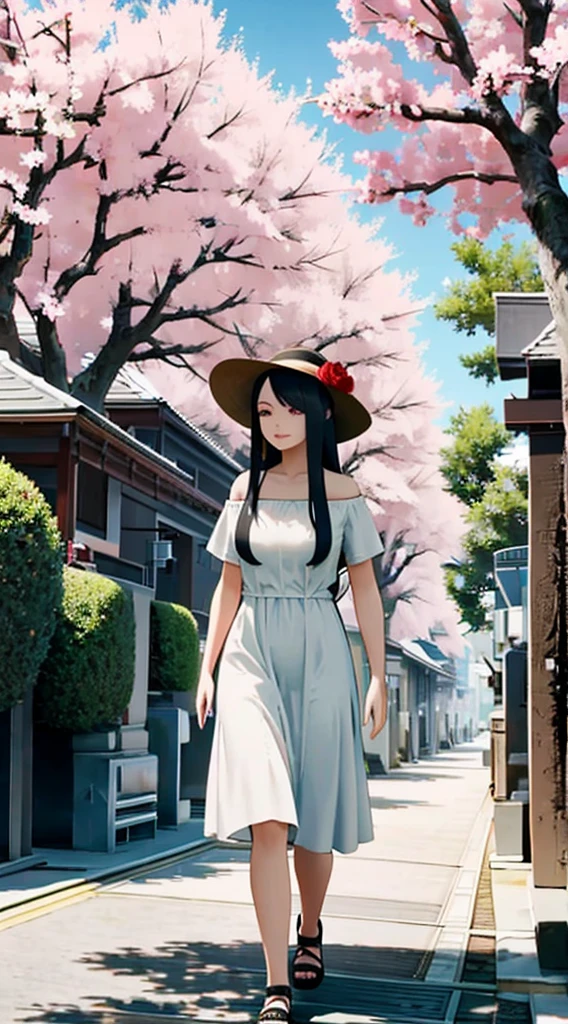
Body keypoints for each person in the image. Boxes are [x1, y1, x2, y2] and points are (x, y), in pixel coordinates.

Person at [195, 347, 387, 1023]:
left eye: (289, 408)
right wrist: (207, 664)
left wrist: (377, 678)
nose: (275, 422)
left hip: (322, 651)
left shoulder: (343, 496)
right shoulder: (243, 490)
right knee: (268, 816)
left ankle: (311, 929)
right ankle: (276, 981)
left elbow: (364, 589)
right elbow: (228, 583)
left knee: (313, 820)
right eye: (265, 410)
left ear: (319, 414)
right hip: (251, 651)